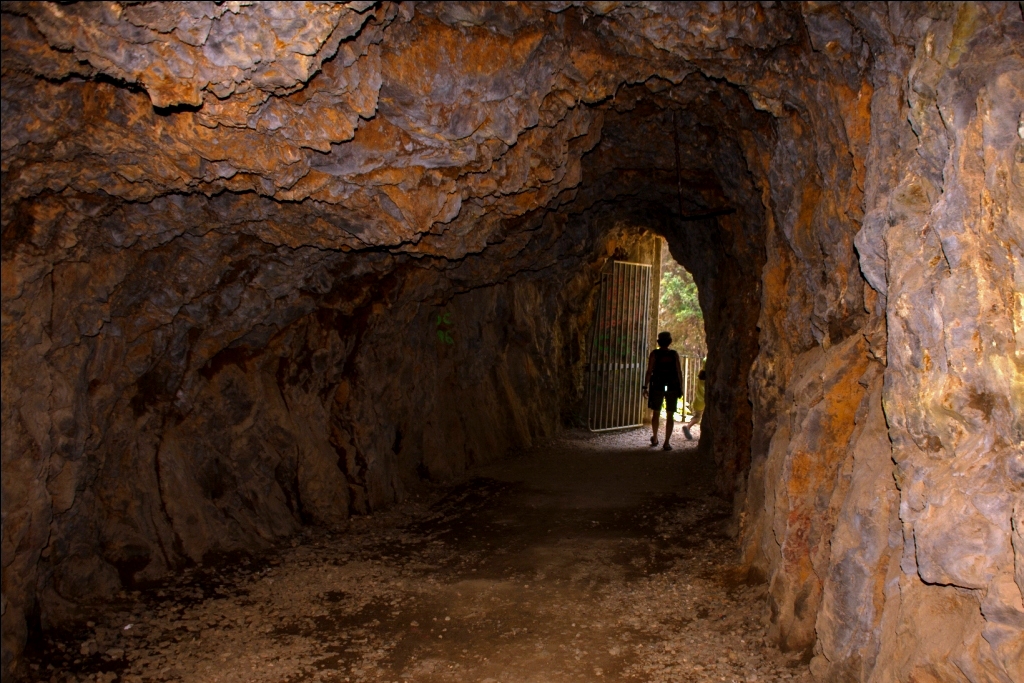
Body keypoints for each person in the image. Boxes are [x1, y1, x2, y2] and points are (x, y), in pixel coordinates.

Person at [642, 331, 684, 451]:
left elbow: (649, 371)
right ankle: (666, 443)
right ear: (670, 342)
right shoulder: (674, 354)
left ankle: (655, 438)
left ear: (659, 342)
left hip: (657, 385)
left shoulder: (654, 354)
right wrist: (680, 387)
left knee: (656, 412)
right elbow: (679, 372)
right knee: (670, 414)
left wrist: (645, 387)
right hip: (672, 386)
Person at [683, 358, 706, 440]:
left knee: (697, 417)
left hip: (697, 401)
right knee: (703, 418)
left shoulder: (701, 375)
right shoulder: (709, 377)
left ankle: (688, 426)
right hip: (704, 401)